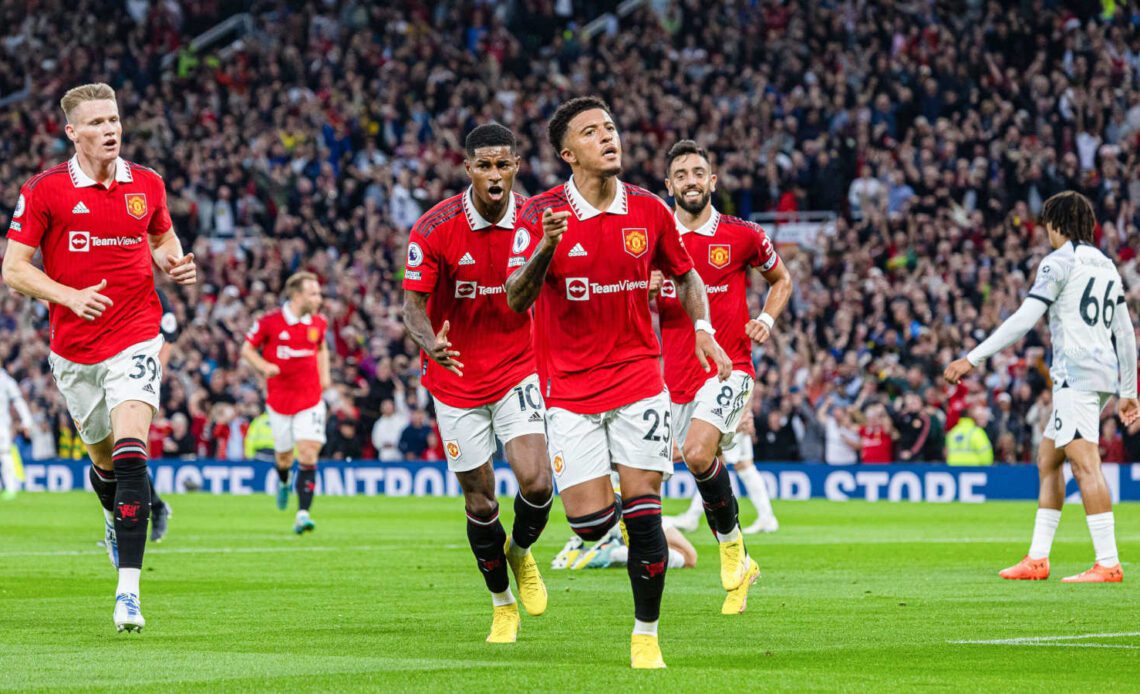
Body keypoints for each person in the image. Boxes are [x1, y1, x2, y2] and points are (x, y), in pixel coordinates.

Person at [505, 96, 732, 668]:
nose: (608, 137)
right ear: (567, 153)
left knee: (644, 509)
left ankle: (646, 635)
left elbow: (688, 277)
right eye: (591, 132)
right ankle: (521, 549)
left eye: (610, 127)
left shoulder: (651, 210)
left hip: (638, 382)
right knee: (590, 522)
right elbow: (514, 298)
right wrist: (548, 246)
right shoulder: (537, 213)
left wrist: (703, 327)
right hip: (569, 392)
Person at [1, 82, 197, 632]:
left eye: (114, 119)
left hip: (136, 333)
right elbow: (13, 270)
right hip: (73, 348)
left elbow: (162, 239)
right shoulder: (45, 191)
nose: (110, 129)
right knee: (107, 464)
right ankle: (119, 514)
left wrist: (175, 263)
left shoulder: (148, 183)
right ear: (72, 133)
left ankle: (128, 593)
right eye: (96, 123)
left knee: (133, 454)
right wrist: (69, 296)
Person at [402, 123, 552, 644]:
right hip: (456, 377)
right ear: (468, 169)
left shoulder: (536, 221)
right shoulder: (434, 227)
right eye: (484, 165)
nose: (494, 174)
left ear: (515, 166)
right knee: (481, 503)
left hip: (517, 366)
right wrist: (429, 343)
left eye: (503, 164)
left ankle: (521, 551)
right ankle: (501, 603)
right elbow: (412, 308)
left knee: (537, 483)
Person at [945, 191, 1138, 583]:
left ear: (1057, 224)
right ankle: (1037, 559)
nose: (1045, 232)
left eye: (1047, 224)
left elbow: (1024, 318)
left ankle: (1108, 562)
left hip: (1076, 376)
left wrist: (972, 357)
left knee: (1085, 464)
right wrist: (1128, 390)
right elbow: (1125, 333)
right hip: (1100, 375)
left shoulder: (1058, 262)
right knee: (1049, 459)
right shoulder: (1105, 264)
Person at [653, 140, 791, 572]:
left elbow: (781, 280)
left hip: (730, 368)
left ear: (712, 180)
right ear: (669, 185)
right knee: (693, 461)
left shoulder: (744, 234)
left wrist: (766, 321)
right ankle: (735, 549)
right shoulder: (654, 241)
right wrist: (646, 292)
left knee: (696, 454)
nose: (690, 182)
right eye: (681, 175)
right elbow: (630, 303)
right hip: (677, 377)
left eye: (697, 173)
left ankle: (730, 548)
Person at [241, 271, 330, 534]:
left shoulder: (318, 324)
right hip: (279, 401)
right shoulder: (269, 322)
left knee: (308, 451)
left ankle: (302, 514)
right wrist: (263, 366)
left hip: (310, 399)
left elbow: (322, 347)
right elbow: (246, 349)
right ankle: (283, 481)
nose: (319, 298)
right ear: (296, 295)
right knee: (283, 456)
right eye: (313, 293)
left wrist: (324, 376)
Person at [0, 366, 34, 499]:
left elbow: (18, 401)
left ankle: (11, 488)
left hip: (1, 424)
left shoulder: (5, 380)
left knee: (4, 453)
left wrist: (26, 422)